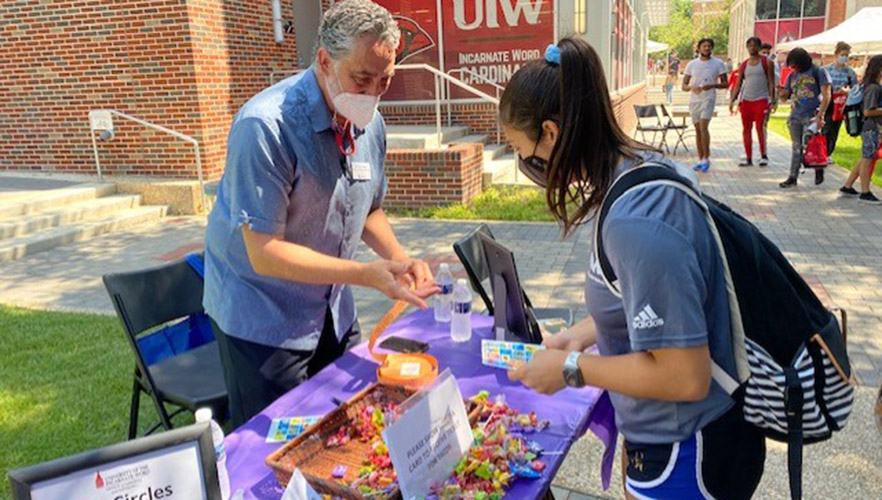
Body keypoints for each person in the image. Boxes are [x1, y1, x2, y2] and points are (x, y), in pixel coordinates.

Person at [501, 37, 765, 500]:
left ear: (551, 133)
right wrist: (580, 336)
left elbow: (684, 375)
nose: (526, 166)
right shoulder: (633, 172)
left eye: (522, 150)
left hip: (689, 451)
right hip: (671, 439)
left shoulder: (637, 221)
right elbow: (640, 297)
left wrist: (570, 368)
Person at [203, 0, 438, 427]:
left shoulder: (370, 123)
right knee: (274, 445)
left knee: (348, 424)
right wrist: (364, 274)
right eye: (361, 79)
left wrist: (400, 259)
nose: (371, 95)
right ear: (325, 61)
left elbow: (368, 210)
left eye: (384, 81)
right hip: (264, 317)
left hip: (332, 307)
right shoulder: (265, 127)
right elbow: (265, 253)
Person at [779, 48, 832, 188]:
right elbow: (786, 96)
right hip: (795, 115)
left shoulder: (818, 71)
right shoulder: (792, 75)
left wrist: (820, 114)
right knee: (796, 147)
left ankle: (818, 167)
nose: (794, 68)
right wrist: (781, 94)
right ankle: (792, 177)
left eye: (795, 65)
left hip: (812, 115)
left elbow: (826, 94)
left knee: (809, 143)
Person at [839, 55, 882, 204]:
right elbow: (868, 112)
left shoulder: (872, 86)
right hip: (871, 127)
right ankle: (865, 192)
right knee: (867, 158)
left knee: (867, 156)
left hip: (872, 128)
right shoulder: (874, 88)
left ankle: (848, 186)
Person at [682, 38, 729, 171]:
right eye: (704, 46)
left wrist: (713, 85)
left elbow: (725, 83)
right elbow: (684, 86)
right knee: (697, 129)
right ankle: (700, 158)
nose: (707, 48)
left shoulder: (718, 64)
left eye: (709, 46)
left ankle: (706, 158)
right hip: (695, 100)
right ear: (699, 48)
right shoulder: (692, 64)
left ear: (712, 48)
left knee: (703, 126)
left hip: (708, 98)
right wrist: (692, 87)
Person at [730, 36, 777, 167]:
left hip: (761, 99)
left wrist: (772, 99)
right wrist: (732, 100)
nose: (752, 48)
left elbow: (771, 82)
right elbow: (738, 84)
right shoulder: (744, 65)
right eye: (749, 46)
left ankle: (763, 155)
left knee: (760, 128)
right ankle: (748, 157)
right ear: (747, 48)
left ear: (759, 47)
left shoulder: (766, 62)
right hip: (746, 101)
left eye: (754, 45)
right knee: (746, 129)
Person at [823, 42, 858, 161]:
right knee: (825, 127)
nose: (845, 58)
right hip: (827, 102)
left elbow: (855, 90)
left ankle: (828, 152)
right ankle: (822, 151)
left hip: (840, 104)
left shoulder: (850, 72)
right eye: (843, 54)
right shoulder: (826, 70)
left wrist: (847, 92)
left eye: (847, 55)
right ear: (836, 55)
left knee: (834, 128)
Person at [759, 43, 780, 140]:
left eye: (768, 53)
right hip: (752, 98)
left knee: (763, 123)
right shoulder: (752, 64)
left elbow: (776, 84)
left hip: (766, 98)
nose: (766, 55)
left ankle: (762, 147)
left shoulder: (773, 65)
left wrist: (775, 102)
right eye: (764, 53)